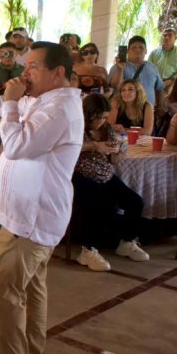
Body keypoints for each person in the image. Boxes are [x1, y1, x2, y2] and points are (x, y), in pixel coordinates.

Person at [0, 42, 83, 354]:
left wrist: (9, 104)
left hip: (32, 219)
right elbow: (1, 121)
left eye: (33, 66)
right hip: (19, 214)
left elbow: (18, 146)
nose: (25, 73)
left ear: (58, 73)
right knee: (32, 289)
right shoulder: (43, 100)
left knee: (4, 289)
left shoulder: (62, 109)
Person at [72, 94, 150, 273]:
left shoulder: (107, 129)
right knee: (105, 207)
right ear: (87, 113)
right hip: (80, 175)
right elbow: (68, 146)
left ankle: (127, 242)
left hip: (105, 174)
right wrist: (94, 145)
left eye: (104, 117)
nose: (100, 121)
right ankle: (88, 249)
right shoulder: (76, 127)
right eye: (97, 117)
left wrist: (118, 152)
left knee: (135, 202)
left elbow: (114, 160)